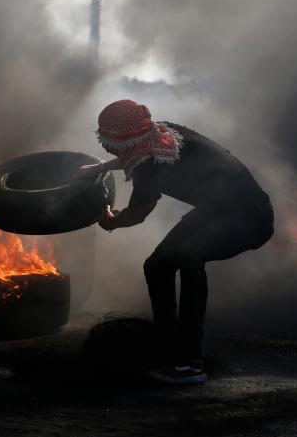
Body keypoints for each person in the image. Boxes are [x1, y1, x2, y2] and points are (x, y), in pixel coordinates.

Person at [75, 99, 274, 384]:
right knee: (157, 265)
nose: (107, 148)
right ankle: (168, 344)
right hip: (217, 210)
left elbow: (136, 215)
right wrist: (101, 168)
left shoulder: (149, 165)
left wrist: (110, 220)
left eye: (109, 143)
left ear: (124, 140)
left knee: (189, 257)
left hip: (250, 218)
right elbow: (135, 155)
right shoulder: (162, 133)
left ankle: (190, 364)